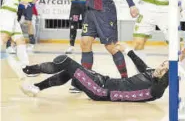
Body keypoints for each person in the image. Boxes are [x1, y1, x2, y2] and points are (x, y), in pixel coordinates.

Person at [20, 43, 169, 103]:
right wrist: (128, 50)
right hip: (102, 81)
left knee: (65, 61)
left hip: (100, 90)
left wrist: (166, 76)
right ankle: (37, 87)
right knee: (70, 71)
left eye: (164, 69)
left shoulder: (156, 89)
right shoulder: (151, 73)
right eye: (162, 63)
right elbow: (141, 65)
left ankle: (31, 70)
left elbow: (158, 89)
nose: (160, 67)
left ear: (165, 78)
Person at [0, 0, 54, 80]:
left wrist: (21, 1)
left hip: (11, 12)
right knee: (2, 40)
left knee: (20, 41)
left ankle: (26, 68)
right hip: (8, 13)